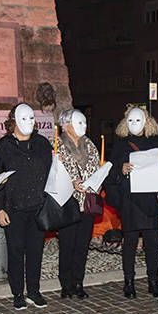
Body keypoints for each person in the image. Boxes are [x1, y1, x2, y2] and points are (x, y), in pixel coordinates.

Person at [0, 103, 52, 309]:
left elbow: (52, 174)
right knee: (16, 251)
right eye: (23, 119)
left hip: (38, 206)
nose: (29, 123)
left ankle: (34, 291)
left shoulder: (42, 144)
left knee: (35, 251)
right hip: (14, 208)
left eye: (32, 118)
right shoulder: (3, 147)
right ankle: (17, 292)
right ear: (13, 121)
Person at [106, 106, 158, 298]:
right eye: (130, 121)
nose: (134, 124)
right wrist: (121, 169)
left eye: (138, 120)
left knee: (152, 243)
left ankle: (154, 282)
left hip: (151, 200)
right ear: (124, 124)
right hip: (130, 201)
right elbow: (111, 175)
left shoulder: (157, 142)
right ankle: (129, 282)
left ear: (146, 122)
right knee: (130, 243)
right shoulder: (120, 145)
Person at [55, 109, 101, 299]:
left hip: (87, 202)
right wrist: (72, 180)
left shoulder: (90, 145)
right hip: (68, 202)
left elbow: (95, 166)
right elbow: (56, 172)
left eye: (84, 122)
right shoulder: (57, 146)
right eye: (78, 123)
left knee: (82, 245)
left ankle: (78, 282)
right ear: (65, 126)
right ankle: (66, 284)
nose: (83, 126)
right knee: (67, 246)